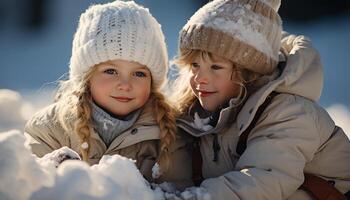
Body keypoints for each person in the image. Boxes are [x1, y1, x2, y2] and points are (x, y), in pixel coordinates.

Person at [170, 0, 350, 199]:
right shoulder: (199, 117)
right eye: (195, 65)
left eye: (215, 67)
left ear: (249, 73)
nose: (199, 78)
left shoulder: (289, 112)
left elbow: (262, 181)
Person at [24, 0, 192, 188]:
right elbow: (30, 185)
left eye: (139, 73)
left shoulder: (167, 133)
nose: (125, 85)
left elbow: (178, 189)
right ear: (87, 76)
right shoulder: (51, 128)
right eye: (111, 71)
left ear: (152, 83)